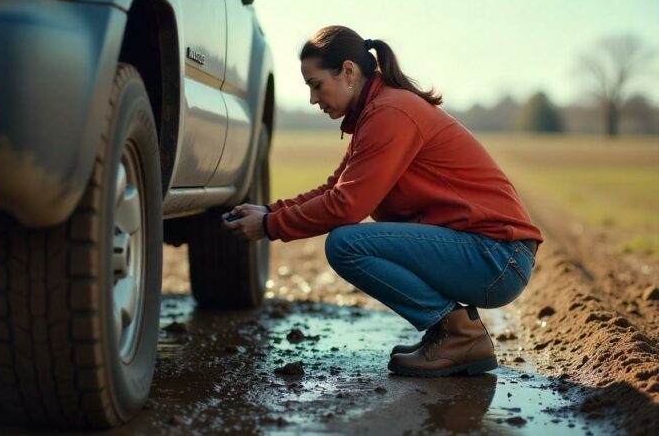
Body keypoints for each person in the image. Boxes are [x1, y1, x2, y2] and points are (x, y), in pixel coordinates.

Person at [221, 25, 542, 377]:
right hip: (490, 253)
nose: (313, 99)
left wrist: (270, 226)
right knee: (348, 241)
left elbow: (346, 205)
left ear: (347, 71)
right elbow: (333, 189)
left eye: (316, 85)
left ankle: (460, 335)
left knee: (345, 245)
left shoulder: (391, 113)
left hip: (497, 257)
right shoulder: (376, 113)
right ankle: (451, 332)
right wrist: (270, 211)